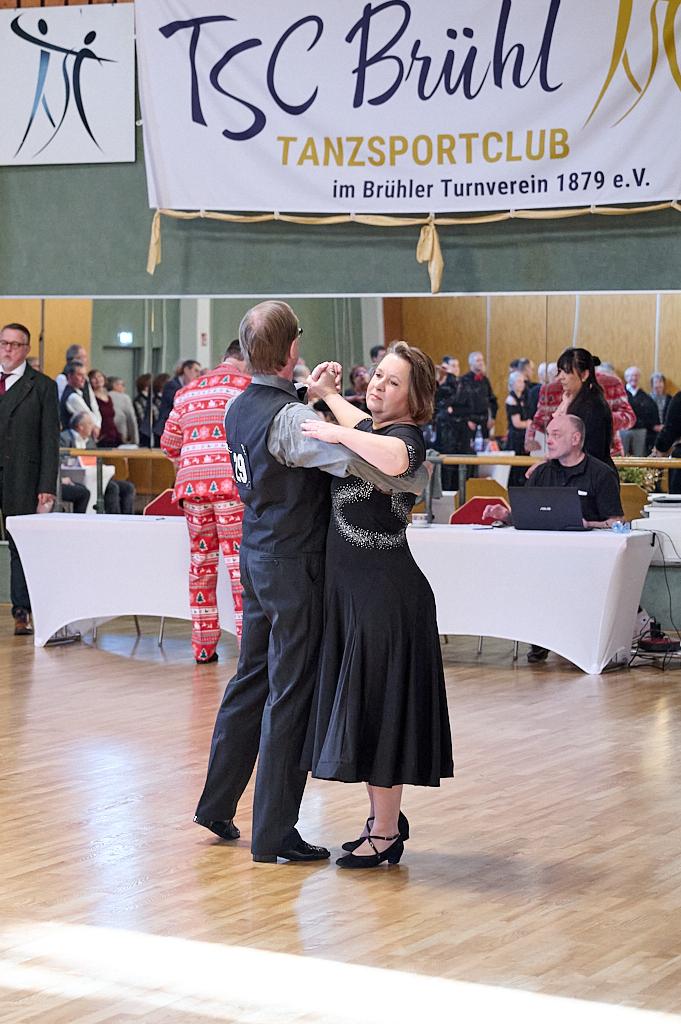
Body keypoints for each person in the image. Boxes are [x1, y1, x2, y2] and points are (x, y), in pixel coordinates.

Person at [193, 301, 428, 864]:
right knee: (290, 695)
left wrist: (315, 396)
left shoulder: (238, 406)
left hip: (255, 555)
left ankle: (217, 802)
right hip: (294, 568)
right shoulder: (294, 420)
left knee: (252, 679)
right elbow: (380, 467)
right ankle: (274, 832)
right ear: (293, 349)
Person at [300, 342, 454, 869]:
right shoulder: (375, 430)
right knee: (369, 711)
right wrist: (327, 396)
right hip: (361, 598)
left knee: (383, 712)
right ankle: (381, 821)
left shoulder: (405, 439)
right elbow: (362, 422)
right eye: (378, 376)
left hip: (386, 599)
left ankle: (386, 831)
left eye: (392, 382)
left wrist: (332, 429)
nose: (378, 386)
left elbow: (394, 454)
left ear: (415, 397)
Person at [484, 413, 624, 661]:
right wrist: (506, 515)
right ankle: (541, 638)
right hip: (544, 560)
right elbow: (528, 515)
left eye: (556, 435)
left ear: (576, 439)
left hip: (587, 562)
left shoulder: (601, 474)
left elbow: (616, 523)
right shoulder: (541, 474)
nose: (548, 440)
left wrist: (587, 524)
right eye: (548, 434)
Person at [160, 340, 251, 663]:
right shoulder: (246, 387)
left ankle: (202, 647)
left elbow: (169, 443)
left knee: (201, 565)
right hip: (230, 488)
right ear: (249, 360)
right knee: (239, 568)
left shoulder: (187, 391)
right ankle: (247, 650)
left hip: (191, 490)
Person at [0, 322, 59, 636]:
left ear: (25, 349)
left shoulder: (42, 387)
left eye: (15, 344)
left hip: (23, 476)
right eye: (4, 343)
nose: (8, 350)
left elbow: (50, 440)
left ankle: (22, 610)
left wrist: (46, 486)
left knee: (19, 545)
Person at [526, 358, 634, 458]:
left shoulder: (610, 383)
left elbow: (629, 417)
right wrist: (531, 438)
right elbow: (539, 423)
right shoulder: (552, 389)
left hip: (607, 454)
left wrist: (601, 418)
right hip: (565, 457)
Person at [60, 412, 135, 514]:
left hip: (95, 477)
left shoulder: (90, 441)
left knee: (128, 487)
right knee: (113, 488)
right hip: (74, 477)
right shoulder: (64, 439)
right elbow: (63, 461)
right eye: (90, 424)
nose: (93, 427)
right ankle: (112, 520)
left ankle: (127, 519)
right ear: (80, 426)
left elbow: (96, 460)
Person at [154, 360, 201, 443]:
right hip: (166, 430)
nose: (198, 375)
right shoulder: (172, 385)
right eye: (196, 371)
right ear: (186, 370)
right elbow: (178, 403)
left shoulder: (189, 387)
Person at [459, 351, 498, 443]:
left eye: (482, 360)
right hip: (470, 421)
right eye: (478, 360)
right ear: (471, 363)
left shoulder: (485, 380)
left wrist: (492, 417)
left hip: (484, 421)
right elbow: (460, 404)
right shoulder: (463, 380)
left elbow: (492, 400)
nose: (481, 362)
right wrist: (467, 420)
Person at [621, 366, 657, 456]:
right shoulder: (621, 393)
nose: (633, 378)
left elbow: (650, 413)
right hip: (623, 430)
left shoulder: (645, 396)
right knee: (621, 456)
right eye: (631, 376)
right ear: (626, 378)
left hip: (640, 430)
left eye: (636, 375)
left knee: (639, 456)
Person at [505, 370, 532, 487]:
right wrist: (530, 423)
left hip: (523, 436)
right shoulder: (511, 399)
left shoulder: (523, 398)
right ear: (512, 383)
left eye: (523, 381)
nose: (522, 384)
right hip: (515, 438)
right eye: (519, 381)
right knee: (517, 467)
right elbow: (517, 423)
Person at [60, 360, 102, 435]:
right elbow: (89, 417)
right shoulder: (72, 397)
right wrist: (96, 425)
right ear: (70, 376)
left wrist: (98, 425)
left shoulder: (82, 391)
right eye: (79, 375)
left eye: (84, 375)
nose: (83, 378)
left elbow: (95, 406)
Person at [88, 369, 121, 447]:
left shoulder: (108, 396)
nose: (98, 380)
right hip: (101, 436)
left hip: (113, 434)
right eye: (94, 378)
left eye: (99, 376)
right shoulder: (91, 398)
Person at [108, 377, 139, 446]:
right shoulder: (124, 398)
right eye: (122, 385)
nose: (124, 388)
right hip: (121, 435)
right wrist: (135, 440)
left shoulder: (104, 396)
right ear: (114, 385)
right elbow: (131, 419)